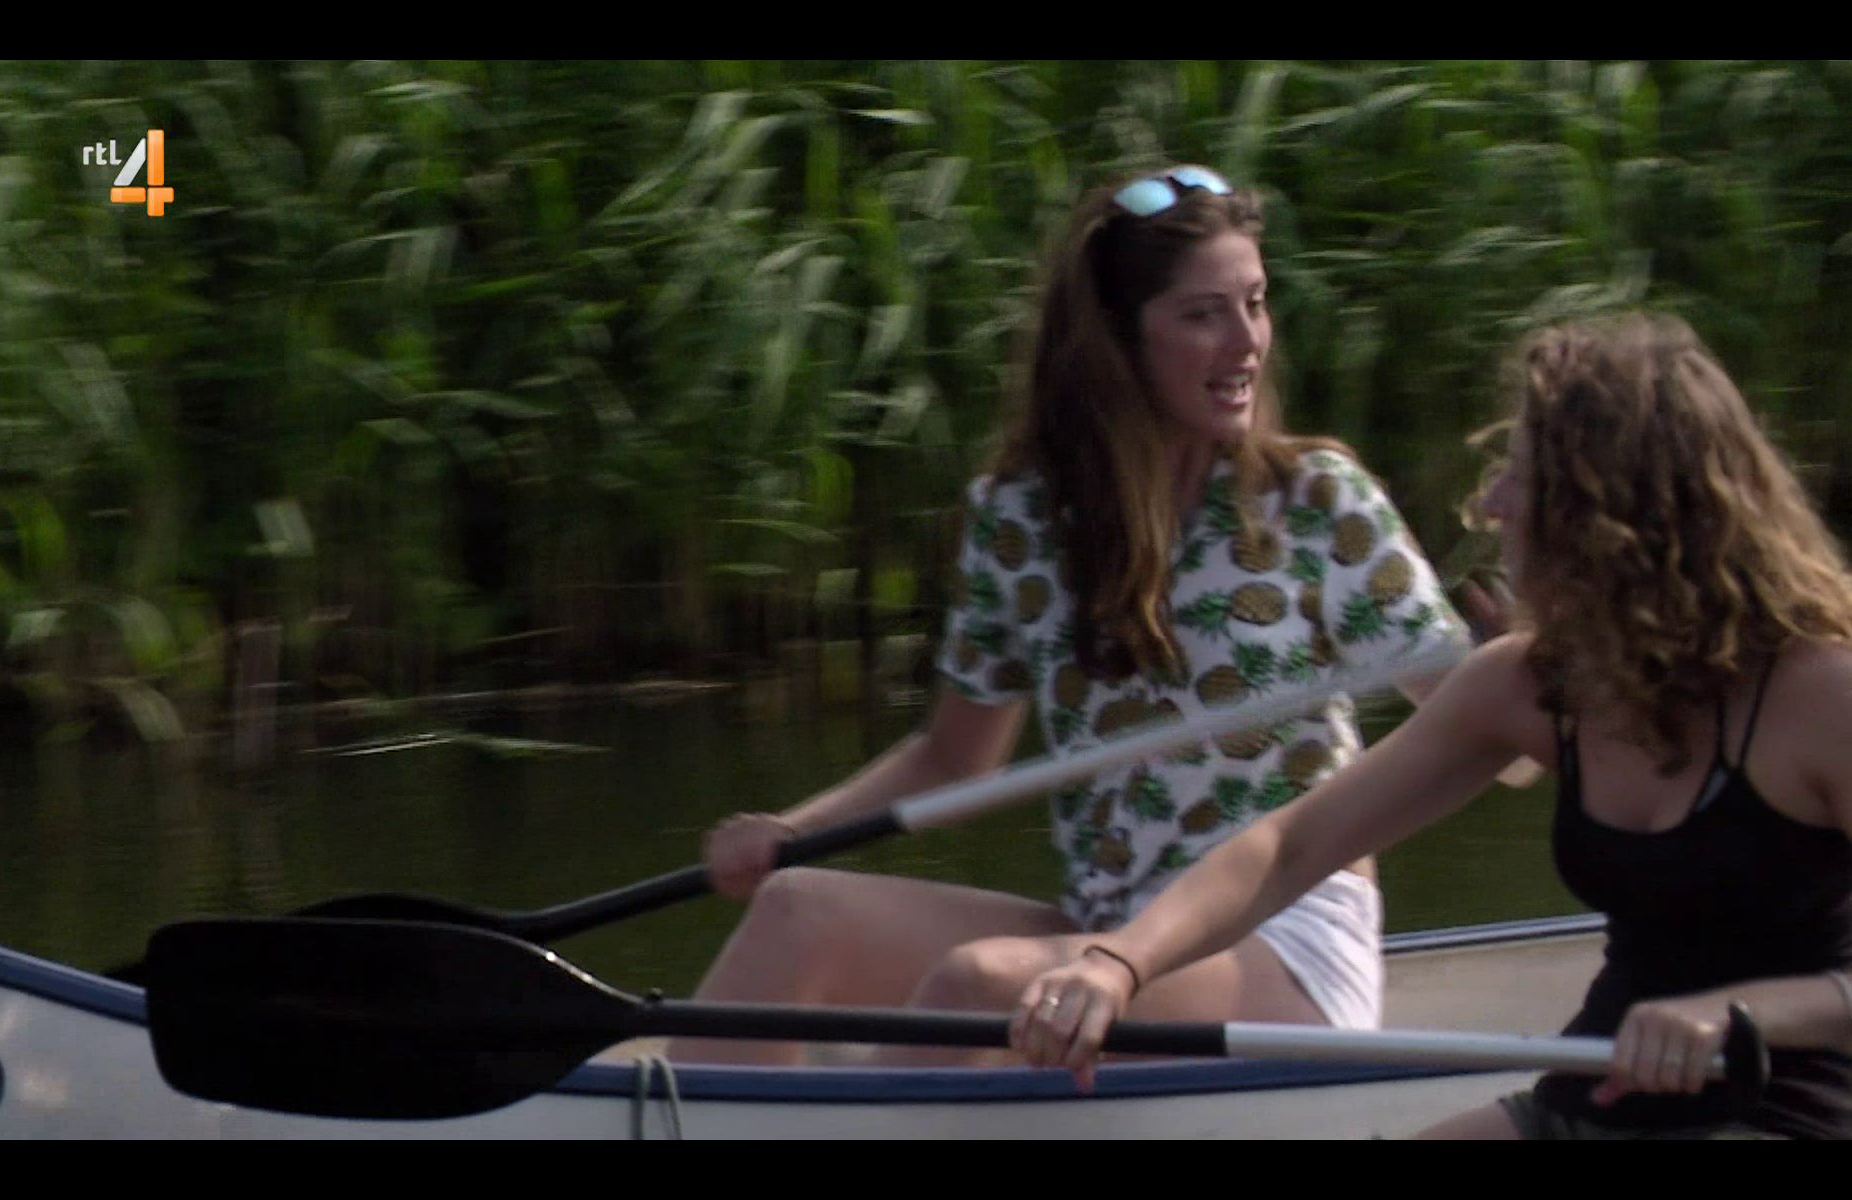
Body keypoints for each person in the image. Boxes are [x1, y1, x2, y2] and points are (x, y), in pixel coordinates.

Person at [665, 165, 1469, 1066]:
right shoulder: (1022, 519)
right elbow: (953, 757)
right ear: (1119, 341)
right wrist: (792, 832)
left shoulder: (1316, 500)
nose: (1247, 341)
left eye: (1255, 303)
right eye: (1203, 315)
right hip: (1105, 929)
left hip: (1280, 941)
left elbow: (1484, 728)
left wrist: (1540, 662)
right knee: (796, 911)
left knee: (982, 983)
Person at [1008, 312, 1852, 1139]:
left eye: (1522, 476)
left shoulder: (1818, 694)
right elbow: (1289, 848)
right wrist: (1118, 963)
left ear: (1609, 513)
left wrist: (1739, 1015)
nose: (1492, 504)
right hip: (1593, 1100)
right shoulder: (1532, 685)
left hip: (1787, 1109)